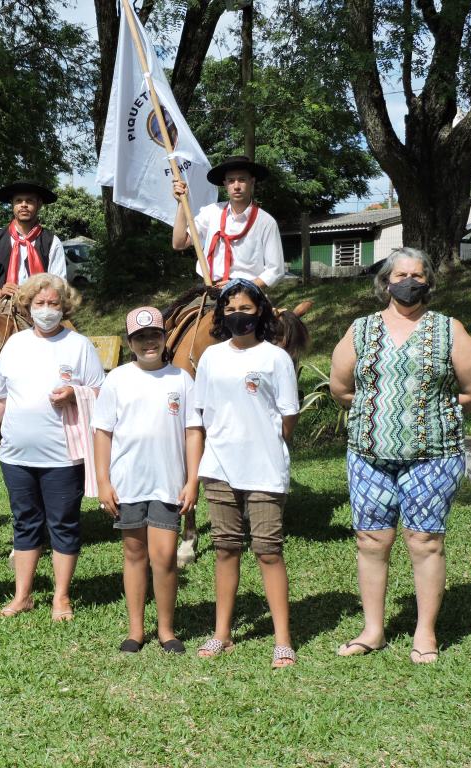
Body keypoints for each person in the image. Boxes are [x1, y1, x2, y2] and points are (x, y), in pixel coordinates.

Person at [330, 248, 471, 663]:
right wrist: (378, 414)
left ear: (428, 282)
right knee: (371, 540)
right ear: (386, 282)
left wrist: (430, 415)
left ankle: (425, 632)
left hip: (433, 456)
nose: (408, 281)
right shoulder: (361, 330)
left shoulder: (449, 330)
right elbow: (341, 388)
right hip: (368, 455)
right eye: (400, 274)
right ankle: (373, 630)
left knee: (425, 540)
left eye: (417, 275)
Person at [0, 274, 104, 621]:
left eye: (53, 304)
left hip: (63, 456)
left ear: (65, 306)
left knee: (63, 523)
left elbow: (103, 394)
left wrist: (76, 393)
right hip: (16, 456)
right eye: (39, 304)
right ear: (27, 306)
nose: (46, 310)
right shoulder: (15, 346)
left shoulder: (79, 346)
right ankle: (22, 596)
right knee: (24, 522)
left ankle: (61, 597)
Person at [192, 278, 299, 668]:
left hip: (265, 469)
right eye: (231, 309)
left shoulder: (276, 358)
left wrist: (266, 443)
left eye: (246, 309)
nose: (239, 316)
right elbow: (200, 416)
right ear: (221, 314)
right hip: (219, 467)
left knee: (269, 551)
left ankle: (283, 639)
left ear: (261, 313)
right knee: (225, 548)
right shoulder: (211, 358)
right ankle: (222, 633)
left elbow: (288, 417)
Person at [93, 306, 202, 654]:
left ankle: (167, 629)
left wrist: (193, 479)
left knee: (166, 556)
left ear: (164, 337)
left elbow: (193, 432)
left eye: (154, 335)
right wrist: (103, 480)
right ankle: (136, 630)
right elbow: (102, 433)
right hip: (128, 484)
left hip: (168, 482)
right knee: (134, 552)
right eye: (140, 337)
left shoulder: (181, 380)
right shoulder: (117, 380)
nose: (148, 342)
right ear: (130, 343)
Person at [171, 155, 284, 289]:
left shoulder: (266, 222)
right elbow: (179, 243)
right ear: (225, 184)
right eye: (231, 181)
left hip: (247, 292)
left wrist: (242, 286)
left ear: (252, 182)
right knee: (174, 310)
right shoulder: (211, 212)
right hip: (209, 289)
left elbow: (275, 270)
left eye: (242, 180)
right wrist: (181, 204)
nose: (236, 186)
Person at [0, 180, 68, 301]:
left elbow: (59, 284)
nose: (24, 204)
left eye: (29, 200)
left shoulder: (52, 242)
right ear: (12, 204)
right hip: (1, 306)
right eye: (18, 200)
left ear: (39, 204)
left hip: (41, 308)